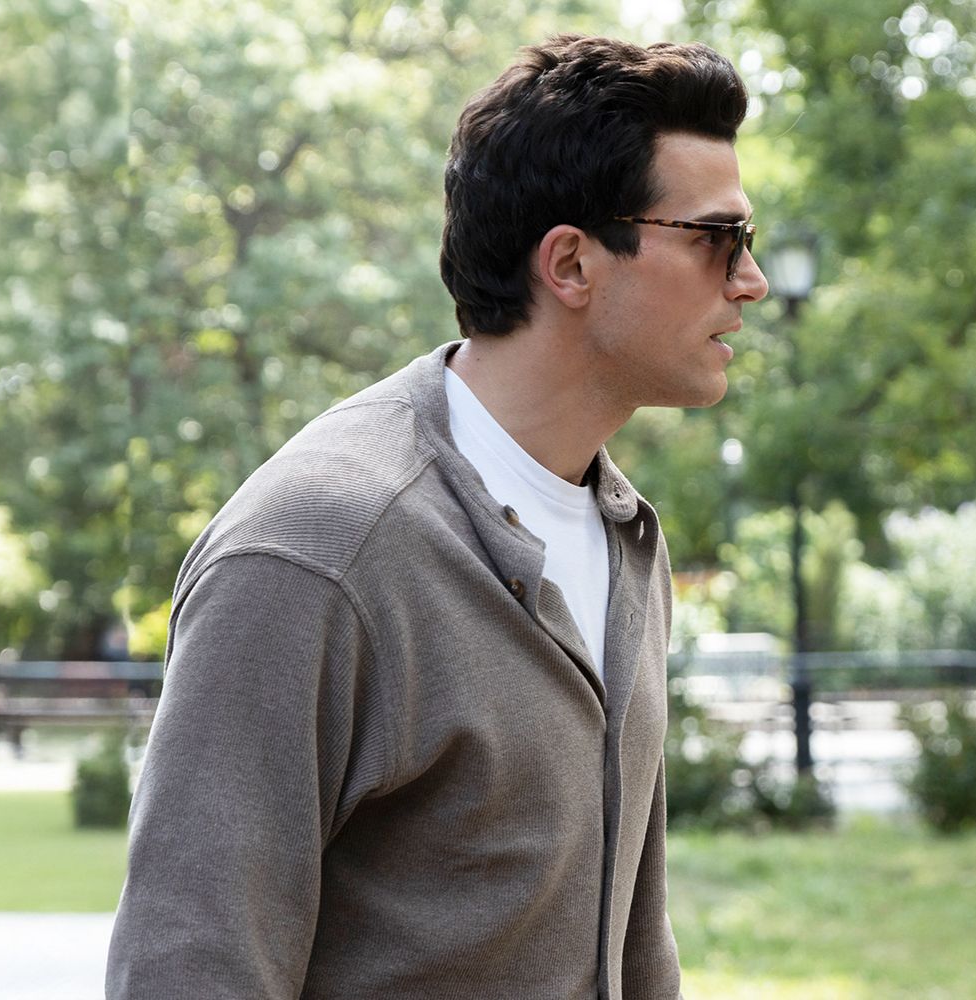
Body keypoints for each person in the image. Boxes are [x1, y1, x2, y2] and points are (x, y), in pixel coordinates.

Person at [107, 34, 767, 999]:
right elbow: (191, 967)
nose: (750, 280)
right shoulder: (311, 556)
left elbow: (633, 941)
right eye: (718, 239)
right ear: (573, 264)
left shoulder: (624, 534)